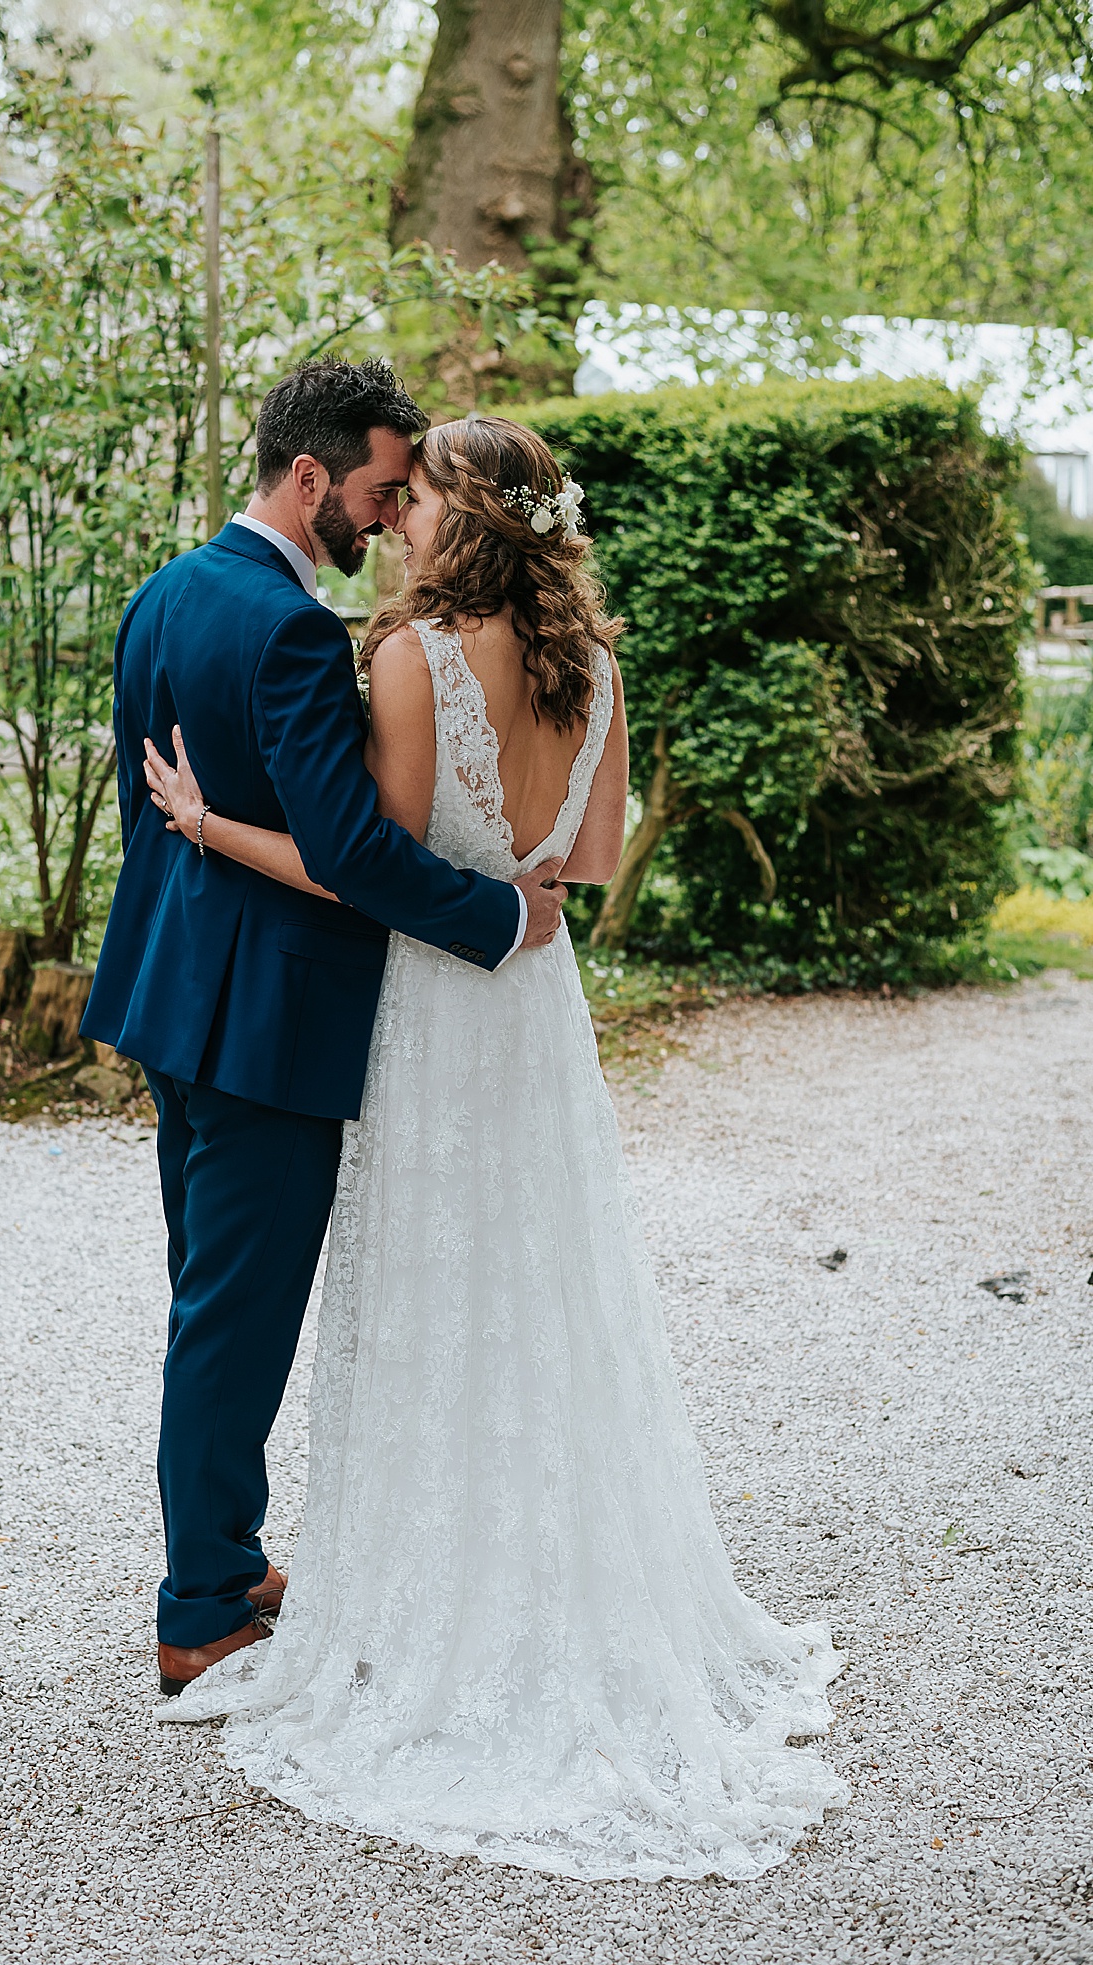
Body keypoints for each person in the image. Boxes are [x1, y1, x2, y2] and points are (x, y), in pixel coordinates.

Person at [145, 414, 850, 1883]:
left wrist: (210, 824)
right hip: (537, 1013)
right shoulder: (597, 662)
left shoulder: (406, 660)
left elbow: (364, 869)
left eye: (417, 505)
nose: (396, 521)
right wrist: (518, 886)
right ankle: (554, 1576)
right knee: (551, 1287)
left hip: (435, 1016)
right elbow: (582, 871)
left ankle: (423, 1596)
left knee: (428, 1301)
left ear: (464, 521)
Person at [79, 361, 568, 1700]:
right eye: (374, 489)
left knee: (210, 1296)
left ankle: (228, 1556)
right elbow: (353, 848)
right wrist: (495, 916)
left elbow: (150, 808)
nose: (382, 514)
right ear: (310, 480)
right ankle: (201, 1613)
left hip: (177, 1000)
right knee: (235, 1316)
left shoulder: (167, 594)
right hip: (267, 1022)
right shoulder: (294, 631)